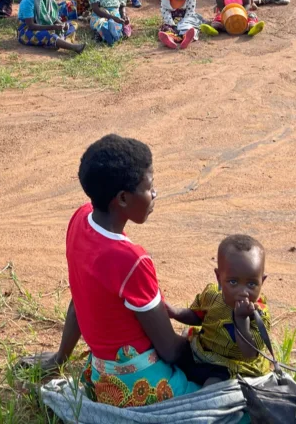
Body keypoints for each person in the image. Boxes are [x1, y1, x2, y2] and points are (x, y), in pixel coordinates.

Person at [28, 135, 199, 407]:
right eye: (149, 186)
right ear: (122, 198)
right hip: (141, 384)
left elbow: (79, 301)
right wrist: (214, 353)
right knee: (228, 402)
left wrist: (60, 357)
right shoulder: (132, 260)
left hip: (102, 377)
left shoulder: (80, 220)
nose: (154, 193)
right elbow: (169, 349)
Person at [167, 235, 272, 384]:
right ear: (218, 277)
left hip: (235, 368)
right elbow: (197, 316)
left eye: (252, 284)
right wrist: (174, 312)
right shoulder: (212, 295)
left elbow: (249, 354)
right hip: (203, 353)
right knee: (173, 357)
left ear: (262, 281)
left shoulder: (258, 313)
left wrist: (241, 321)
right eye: (233, 282)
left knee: (213, 385)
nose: (243, 292)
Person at [16, 0, 86, 53]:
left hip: (47, 26)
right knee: (49, 34)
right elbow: (31, 26)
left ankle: (59, 42)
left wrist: (61, 24)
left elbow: (52, 17)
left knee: (73, 24)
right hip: (26, 31)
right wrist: (53, 27)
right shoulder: (28, 1)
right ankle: (73, 47)